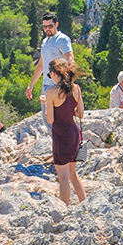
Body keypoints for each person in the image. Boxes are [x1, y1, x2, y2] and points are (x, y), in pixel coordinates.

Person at [41, 58, 87, 205]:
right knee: (73, 174)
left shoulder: (51, 92)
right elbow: (80, 114)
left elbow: (50, 119)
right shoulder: (76, 88)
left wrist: (48, 103)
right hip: (74, 134)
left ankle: (64, 209)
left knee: (63, 178)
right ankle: (84, 204)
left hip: (61, 137)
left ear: (54, 74)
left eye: (50, 75)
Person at [25, 13, 75, 124]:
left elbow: (70, 60)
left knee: (58, 119)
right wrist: (31, 85)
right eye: (45, 27)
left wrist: (67, 83)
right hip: (46, 85)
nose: (47, 29)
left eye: (50, 26)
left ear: (56, 25)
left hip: (58, 85)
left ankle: (62, 141)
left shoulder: (62, 40)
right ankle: (56, 141)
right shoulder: (45, 42)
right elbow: (41, 64)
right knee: (47, 119)